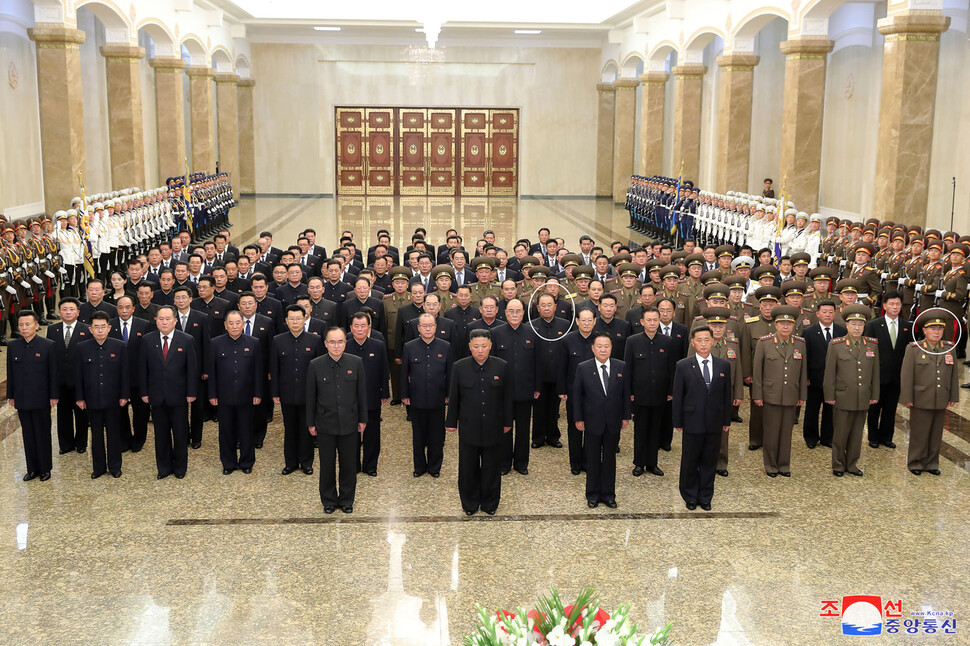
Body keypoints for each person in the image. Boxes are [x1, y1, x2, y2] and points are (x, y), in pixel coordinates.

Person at [446, 329, 513, 515]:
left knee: (492, 468)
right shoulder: (459, 367)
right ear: (469, 347)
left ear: (490, 346)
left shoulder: (502, 366)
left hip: (494, 426)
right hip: (469, 427)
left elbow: (507, 397)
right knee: (468, 468)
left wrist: (508, 421)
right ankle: (469, 504)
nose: (480, 350)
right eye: (476, 346)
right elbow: (454, 397)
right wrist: (451, 422)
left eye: (484, 346)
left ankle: (490, 504)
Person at [307, 327, 368, 513]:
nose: (336, 346)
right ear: (325, 344)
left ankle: (347, 500)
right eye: (332, 342)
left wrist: (363, 419)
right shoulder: (315, 365)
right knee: (327, 464)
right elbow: (310, 397)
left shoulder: (356, 363)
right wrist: (310, 422)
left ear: (345, 343)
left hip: (349, 423)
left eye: (340, 342)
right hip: (325, 424)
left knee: (349, 464)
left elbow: (361, 394)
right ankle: (329, 500)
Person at [672, 325, 733, 511]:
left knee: (709, 460)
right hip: (692, 420)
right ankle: (690, 495)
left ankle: (705, 496)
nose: (704, 344)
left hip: (714, 421)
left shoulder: (723, 365)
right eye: (699, 340)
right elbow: (678, 395)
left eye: (707, 340)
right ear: (693, 342)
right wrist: (678, 421)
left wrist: (726, 420)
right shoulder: (683, 365)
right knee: (690, 460)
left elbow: (726, 395)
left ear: (713, 341)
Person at [573, 332, 632, 508]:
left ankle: (608, 495)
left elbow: (626, 393)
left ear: (611, 348)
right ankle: (592, 494)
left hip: (613, 422)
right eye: (599, 346)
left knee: (609, 459)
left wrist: (626, 416)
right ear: (593, 348)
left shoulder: (621, 366)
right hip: (592, 421)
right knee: (592, 460)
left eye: (606, 346)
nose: (603, 349)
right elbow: (577, 396)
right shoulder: (583, 367)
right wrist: (578, 418)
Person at [139, 305, 199, 479]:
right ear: (156, 320)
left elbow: (191, 369)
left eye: (168, 319)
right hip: (157, 396)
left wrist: (191, 392)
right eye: (161, 319)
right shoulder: (147, 340)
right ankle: (163, 468)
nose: (164, 322)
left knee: (180, 434)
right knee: (161, 435)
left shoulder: (186, 340)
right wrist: (144, 392)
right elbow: (143, 369)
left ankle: (180, 468)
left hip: (179, 396)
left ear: (175, 321)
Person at [900, 310, 960, 476]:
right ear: (924, 331)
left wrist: (953, 395)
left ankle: (932, 462)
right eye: (932, 328)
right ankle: (916, 462)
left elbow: (953, 374)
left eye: (939, 329)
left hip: (941, 397)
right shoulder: (914, 349)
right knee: (920, 432)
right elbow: (906, 375)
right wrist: (907, 397)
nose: (936, 332)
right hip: (920, 398)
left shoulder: (949, 348)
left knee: (936, 433)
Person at [823, 305, 880, 477]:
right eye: (853, 324)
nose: (857, 328)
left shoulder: (871, 345)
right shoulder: (836, 345)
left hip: (862, 397)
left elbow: (875, 373)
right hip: (842, 396)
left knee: (857, 434)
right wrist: (829, 395)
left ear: (864, 326)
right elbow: (830, 373)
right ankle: (838, 464)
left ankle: (852, 464)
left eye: (860, 324)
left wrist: (874, 394)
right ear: (847, 325)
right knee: (840, 434)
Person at [752, 305, 807, 477]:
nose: (785, 326)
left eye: (789, 323)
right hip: (770, 395)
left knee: (786, 432)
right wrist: (757, 395)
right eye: (782, 323)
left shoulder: (800, 343)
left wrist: (802, 395)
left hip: (791, 394)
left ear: (793, 325)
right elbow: (757, 372)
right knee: (771, 432)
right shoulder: (764, 342)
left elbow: (803, 371)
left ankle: (784, 465)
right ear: (775, 324)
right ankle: (770, 465)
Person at [270, 305, 324, 476]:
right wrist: (275, 392)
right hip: (287, 393)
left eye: (298, 318)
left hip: (308, 394)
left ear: (305, 319)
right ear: (286, 320)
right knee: (289, 429)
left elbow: (320, 369)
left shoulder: (315, 340)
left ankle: (306, 462)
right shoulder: (278, 340)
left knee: (307, 429)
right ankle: (290, 462)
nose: (295, 322)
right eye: (291, 318)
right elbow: (274, 369)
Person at [207, 311, 263, 475]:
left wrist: (258, 393)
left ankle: (246, 462)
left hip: (246, 396)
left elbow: (258, 371)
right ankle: (228, 463)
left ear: (243, 324)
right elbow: (212, 371)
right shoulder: (215, 343)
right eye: (230, 323)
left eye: (238, 323)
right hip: (224, 397)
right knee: (226, 432)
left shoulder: (254, 343)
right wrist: (212, 394)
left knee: (246, 431)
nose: (234, 326)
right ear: (225, 325)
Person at [5, 311, 58, 482]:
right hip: (22, 398)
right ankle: (32, 468)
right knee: (27, 435)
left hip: (42, 398)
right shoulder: (13, 346)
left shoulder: (48, 345)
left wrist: (53, 395)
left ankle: (45, 468)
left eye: (28, 324)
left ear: (36, 325)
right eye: (21, 325)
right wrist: (10, 395)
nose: (24, 328)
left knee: (42, 433)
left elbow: (53, 374)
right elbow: (11, 373)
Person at [624, 305, 676, 477]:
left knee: (655, 430)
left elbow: (671, 369)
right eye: (649, 320)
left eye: (655, 320)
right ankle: (639, 463)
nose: (652, 323)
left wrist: (670, 391)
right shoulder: (632, 341)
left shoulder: (667, 342)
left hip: (660, 394)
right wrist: (629, 392)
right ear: (642, 322)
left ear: (659, 320)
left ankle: (652, 463)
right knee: (640, 430)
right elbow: (628, 369)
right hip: (639, 394)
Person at [75, 312, 128, 479]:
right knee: (96, 435)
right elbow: (79, 376)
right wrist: (80, 397)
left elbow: (124, 374)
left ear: (109, 328)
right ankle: (98, 467)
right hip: (91, 399)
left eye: (103, 326)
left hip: (113, 399)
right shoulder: (82, 347)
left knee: (113, 434)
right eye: (96, 327)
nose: (99, 330)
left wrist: (124, 395)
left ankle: (115, 467)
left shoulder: (119, 346)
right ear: (90, 329)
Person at [400, 313, 454, 478]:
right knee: (418, 436)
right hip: (416, 399)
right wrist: (404, 395)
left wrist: (448, 394)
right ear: (418, 328)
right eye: (424, 325)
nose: (428, 328)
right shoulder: (409, 347)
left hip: (438, 399)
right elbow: (404, 373)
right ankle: (419, 467)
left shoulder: (445, 346)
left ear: (436, 327)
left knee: (436, 436)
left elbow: (450, 372)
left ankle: (434, 467)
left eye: (431, 325)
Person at [490, 298, 540, 475]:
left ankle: (521, 463)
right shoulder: (495, 333)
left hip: (525, 389)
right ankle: (504, 463)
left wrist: (537, 387)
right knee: (504, 427)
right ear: (505, 312)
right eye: (511, 311)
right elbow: (491, 363)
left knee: (523, 428)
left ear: (524, 312)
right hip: (502, 390)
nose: (515, 314)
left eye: (518, 311)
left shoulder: (532, 332)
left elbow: (537, 362)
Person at [345, 311, 389, 477]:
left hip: (371, 395)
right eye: (356, 326)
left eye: (363, 326)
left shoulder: (378, 345)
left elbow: (384, 370)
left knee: (372, 433)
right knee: (351, 433)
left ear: (369, 327)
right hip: (350, 398)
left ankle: (370, 465)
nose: (360, 329)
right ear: (351, 328)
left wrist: (385, 392)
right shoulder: (346, 346)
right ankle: (353, 465)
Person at [47, 297, 90, 454]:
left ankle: (81, 443)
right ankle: (65, 444)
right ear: (60, 312)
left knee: (81, 413)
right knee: (63, 414)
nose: (68, 312)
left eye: (72, 309)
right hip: (61, 380)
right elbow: (50, 355)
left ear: (78, 312)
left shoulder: (86, 329)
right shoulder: (53, 330)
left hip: (80, 380)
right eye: (64, 309)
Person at [109, 296, 152, 452]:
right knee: (120, 410)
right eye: (121, 307)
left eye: (128, 307)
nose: (124, 310)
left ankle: (139, 439)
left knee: (140, 411)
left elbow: (148, 352)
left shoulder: (145, 325)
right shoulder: (110, 325)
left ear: (133, 308)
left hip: (138, 376)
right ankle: (124, 439)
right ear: (117, 309)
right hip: (116, 376)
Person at [802, 300, 846, 449]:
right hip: (814, 379)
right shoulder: (809, 332)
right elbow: (805, 356)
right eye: (824, 312)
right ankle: (811, 437)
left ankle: (828, 437)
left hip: (835, 379)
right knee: (812, 409)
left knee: (830, 409)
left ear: (835, 313)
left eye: (830, 312)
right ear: (818, 313)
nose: (827, 315)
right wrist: (806, 376)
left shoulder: (842, 332)